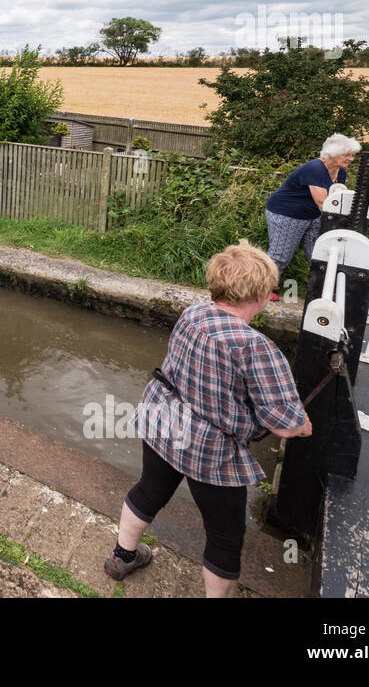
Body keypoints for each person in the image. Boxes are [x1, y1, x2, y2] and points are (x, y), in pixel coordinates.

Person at [106, 242, 312, 597]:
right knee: (224, 534)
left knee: (149, 489)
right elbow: (285, 425)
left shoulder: (191, 314)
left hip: (163, 418)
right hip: (209, 446)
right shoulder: (257, 347)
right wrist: (304, 425)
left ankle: (122, 557)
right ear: (262, 296)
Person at [264, 134, 362, 297]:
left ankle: (324, 293)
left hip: (313, 216)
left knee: (320, 255)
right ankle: (264, 290)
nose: (351, 159)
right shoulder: (315, 169)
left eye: (353, 155)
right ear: (333, 153)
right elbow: (324, 203)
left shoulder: (340, 173)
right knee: (280, 255)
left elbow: (338, 200)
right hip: (287, 213)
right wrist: (347, 223)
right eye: (347, 155)